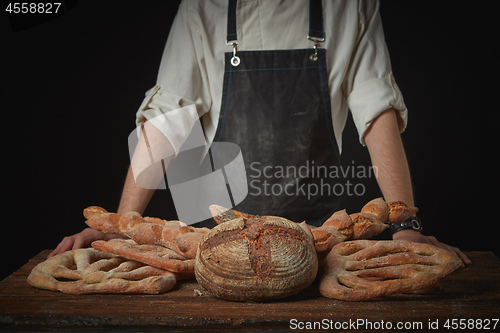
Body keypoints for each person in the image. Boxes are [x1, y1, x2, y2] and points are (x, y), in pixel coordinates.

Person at [49, 0, 471, 265]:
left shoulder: (351, 5)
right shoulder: (203, 6)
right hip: (217, 246)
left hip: (321, 246)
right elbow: (165, 121)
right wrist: (122, 226)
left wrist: (405, 223)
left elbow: (378, 115)